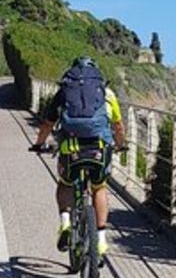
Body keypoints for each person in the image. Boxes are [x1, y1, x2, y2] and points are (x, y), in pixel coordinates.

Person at [31, 56, 126, 263]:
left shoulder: (64, 92)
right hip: (99, 149)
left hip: (71, 149)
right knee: (99, 188)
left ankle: (65, 222)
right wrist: (120, 145)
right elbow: (118, 126)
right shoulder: (107, 94)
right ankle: (100, 238)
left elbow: (48, 124)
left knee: (65, 183)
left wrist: (39, 144)